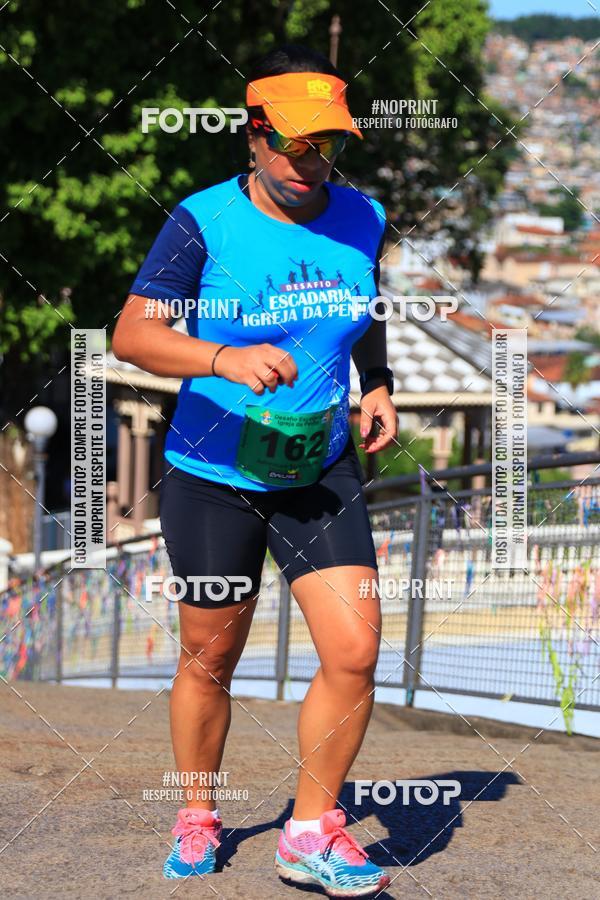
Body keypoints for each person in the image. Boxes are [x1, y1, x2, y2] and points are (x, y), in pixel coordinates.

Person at [112, 43, 397, 899]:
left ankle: (309, 833)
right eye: (296, 144)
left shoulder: (363, 216)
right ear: (255, 134)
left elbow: (362, 302)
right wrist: (220, 356)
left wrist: (376, 383)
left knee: (355, 648)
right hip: (213, 471)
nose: (313, 163)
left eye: (327, 145)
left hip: (318, 466)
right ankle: (197, 810)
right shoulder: (203, 222)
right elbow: (133, 335)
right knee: (211, 651)